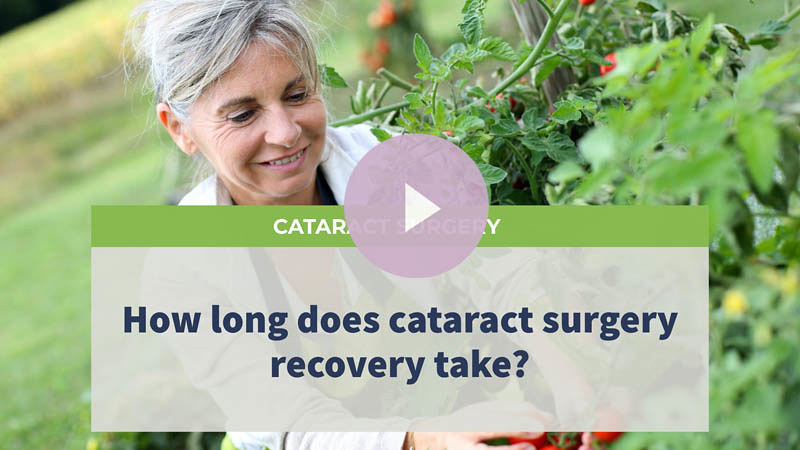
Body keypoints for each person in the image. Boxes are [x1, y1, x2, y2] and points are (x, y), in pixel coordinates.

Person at [128, 1, 547, 449]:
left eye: (296, 95)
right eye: (243, 114)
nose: (286, 132)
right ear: (180, 129)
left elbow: (495, 270)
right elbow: (293, 423)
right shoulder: (184, 271)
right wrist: (426, 440)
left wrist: (565, 374)